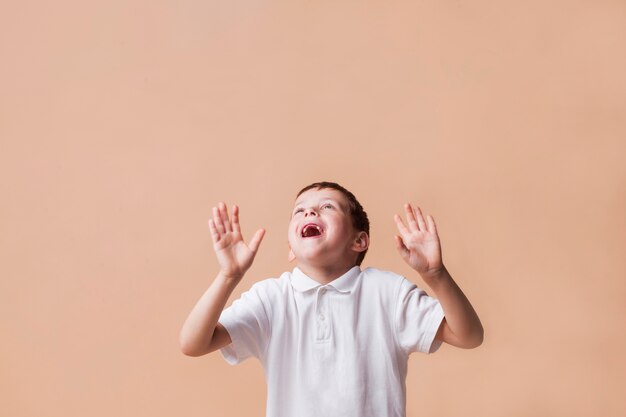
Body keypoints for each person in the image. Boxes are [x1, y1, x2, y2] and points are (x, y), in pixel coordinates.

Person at [179, 181, 483, 417]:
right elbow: (194, 343)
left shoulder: (387, 292)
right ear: (290, 249)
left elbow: (468, 335)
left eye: (327, 207)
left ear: (359, 240)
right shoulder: (271, 298)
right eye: (300, 210)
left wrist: (436, 275)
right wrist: (228, 276)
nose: (310, 212)